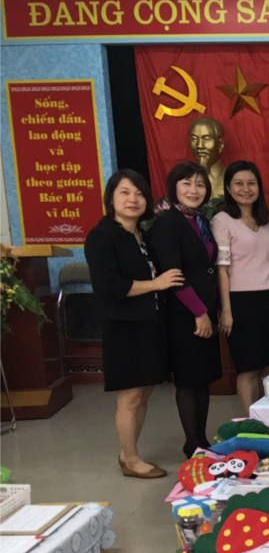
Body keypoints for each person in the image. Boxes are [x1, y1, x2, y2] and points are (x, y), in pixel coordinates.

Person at [84, 170, 183, 478]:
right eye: (125, 192)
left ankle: (127, 453)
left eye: (139, 193)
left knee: (144, 393)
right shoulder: (101, 236)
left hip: (150, 323)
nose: (133, 199)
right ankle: (131, 460)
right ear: (111, 198)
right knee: (129, 397)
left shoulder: (143, 235)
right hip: (123, 326)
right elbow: (111, 285)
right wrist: (156, 284)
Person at [151, 161, 223, 457]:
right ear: (174, 187)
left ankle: (202, 441)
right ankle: (192, 443)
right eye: (187, 183)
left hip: (205, 309)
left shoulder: (200, 220)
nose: (194, 190)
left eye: (200, 184)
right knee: (188, 380)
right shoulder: (168, 221)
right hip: (186, 313)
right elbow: (174, 274)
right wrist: (199, 313)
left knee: (202, 379)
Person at [212, 161, 269, 413]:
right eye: (239, 183)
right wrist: (227, 311)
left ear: (259, 187)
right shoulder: (222, 220)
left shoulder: (268, 222)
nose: (245, 189)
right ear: (228, 188)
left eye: (251, 183)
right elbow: (222, 269)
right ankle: (251, 421)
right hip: (239, 302)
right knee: (248, 368)